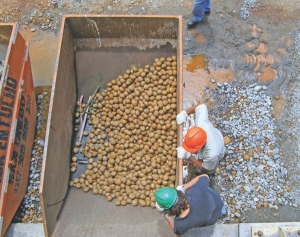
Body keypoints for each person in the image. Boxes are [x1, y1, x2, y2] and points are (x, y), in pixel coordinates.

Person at [155, 174, 226, 235]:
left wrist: (165, 215)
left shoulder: (180, 224)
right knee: (220, 210)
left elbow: (176, 231)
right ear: (178, 193)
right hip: (216, 203)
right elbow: (205, 176)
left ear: (170, 210)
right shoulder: (197, 191)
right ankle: (222, 213)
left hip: (208, 220)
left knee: (211, 219)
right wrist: (184, 187)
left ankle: (219, 214)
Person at [176, 103, 225, 175]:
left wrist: (190, 157)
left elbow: (205, 166)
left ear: (200, 147)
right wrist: (185, 113)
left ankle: (208, 173)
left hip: (219, 148)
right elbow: (201, 106)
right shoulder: (201, 123)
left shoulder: (212, 154)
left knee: (209, 170)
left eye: (193, 150)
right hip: (215, 135)